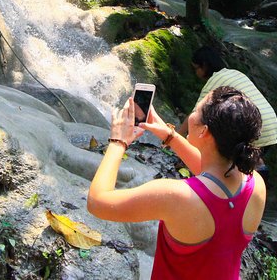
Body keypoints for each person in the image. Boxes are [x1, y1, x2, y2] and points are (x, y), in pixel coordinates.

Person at [88, 87, 266, 279]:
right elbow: (214, 178)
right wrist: (168, 135)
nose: (192, 114)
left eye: (197, 110)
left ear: (204, 131)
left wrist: (118, 141)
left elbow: (97, 202)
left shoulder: (176, 196)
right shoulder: (255, 184)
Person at [179, 47, 277, 162]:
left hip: (257, 128)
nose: (196, 73)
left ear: (205, 66)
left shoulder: (215, 80)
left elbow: (195, 116)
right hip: (271, 126)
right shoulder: (235, 73)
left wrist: (175, 136)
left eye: (196, 68)